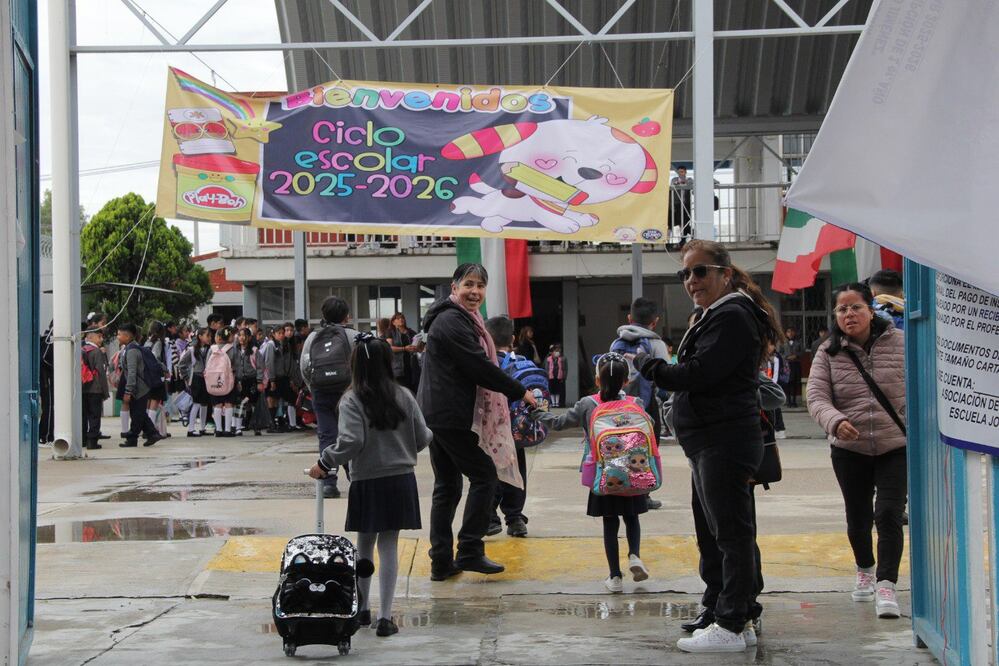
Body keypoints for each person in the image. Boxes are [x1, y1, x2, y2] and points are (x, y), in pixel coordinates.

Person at [634, 239, 783, 653]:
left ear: (725, 273)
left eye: (700, 271)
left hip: (724, 439)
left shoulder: (732, 315)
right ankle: (731, 609)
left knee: (730, 534)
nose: (691, 281)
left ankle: (732, 624)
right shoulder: (717, 313)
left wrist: (649, 365)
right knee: (718, 532)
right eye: (685, 273)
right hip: (711, 440)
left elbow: (700, 373)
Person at [418, 263, 537, 580]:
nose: (475, 292)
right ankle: (469, 549)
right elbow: (478, 365)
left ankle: (441, 563)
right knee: (485, 476)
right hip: (450, 413)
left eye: (481, 286)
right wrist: (519, 391)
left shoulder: (462, 319)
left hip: (440, 412)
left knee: (447, 487)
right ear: (454, 286)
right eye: (469, 284)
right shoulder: (451, 321)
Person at [308, 335, 432, 638]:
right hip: (401, 479)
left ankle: (361, 610)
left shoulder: (352, 399)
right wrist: (403, 449)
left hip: (368, 480)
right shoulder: (403, 394)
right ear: (387, 363)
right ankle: (386, 617)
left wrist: (325, 463)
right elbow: (424, 436)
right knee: (388, 545)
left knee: (365, 543)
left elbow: (350, 442)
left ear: (354, 365)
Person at [806, 282, 906, 620]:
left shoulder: (901, 343)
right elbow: (817, 397)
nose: (849, 314)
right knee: (859, 515)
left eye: (856, 307)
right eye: (842, 309)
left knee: (889, 514)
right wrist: (835, 421)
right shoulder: (828, 352)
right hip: (850, 448)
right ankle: (865, 568)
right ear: (835, 315)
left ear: (870, 309)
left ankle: (887, 585)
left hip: (896, 444)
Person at [537, 352, 651, 593]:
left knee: (610, 524)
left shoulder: (588, 404)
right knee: (632, 517)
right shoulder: (635, 403)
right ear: (626, 381)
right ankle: (635, 555)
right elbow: (649, 426)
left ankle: (615, 577)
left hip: (604, 474)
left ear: (597, 380)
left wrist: (538, 412)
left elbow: (559, 423)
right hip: (634, 471)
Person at [485, 316, 543, 538]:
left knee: (489, 472)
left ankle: (489, 517)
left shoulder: (484, 363)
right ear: (512, 339)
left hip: (490, 430)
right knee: (516, 472)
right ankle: (515, 518)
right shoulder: (523, 362)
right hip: (518, 428)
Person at [301, 296, 361, 498]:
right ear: (346, 316)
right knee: (351, 434)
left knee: (327, 435)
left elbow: (304, 367)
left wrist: (314, 387)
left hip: (321, 392)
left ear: (324, 315)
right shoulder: (354, 336)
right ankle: (355, 478)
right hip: (349, 392)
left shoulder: (312, 338)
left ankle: (328, 483)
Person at [116, 323, 163, 448]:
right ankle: (152, 434)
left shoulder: (132, 350)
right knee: (139, 413)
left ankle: (132, 438)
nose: (117, 337)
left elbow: (132, 372)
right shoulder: (130, 348)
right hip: (140, 387)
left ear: (127, 336)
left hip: (140, 388)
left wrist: (128, 391)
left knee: (137, 414)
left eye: (119, 334)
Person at [179, 327, 213, 437]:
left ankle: (202, 428)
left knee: (205, 403)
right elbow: (182, 364)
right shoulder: (192, 349)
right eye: (207, 335)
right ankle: (191, 429)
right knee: (196, 403)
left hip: (207, 378)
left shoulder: (211, 349)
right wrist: (187, 377)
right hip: (196, 378)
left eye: (210, 336)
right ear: (200, 336)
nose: (209, 338)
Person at [81, 326, 109, 450]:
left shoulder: (81, 349)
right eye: (99, 336)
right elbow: (101, 373)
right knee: (94, 415)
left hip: (83, 388)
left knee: (83, 415)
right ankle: (92, 441)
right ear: (90, 336)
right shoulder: (96, 351)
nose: (101, 339)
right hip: (95, 388)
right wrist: (105, 391)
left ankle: (82, 439)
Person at [208, 327, 239, 437]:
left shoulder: (212, 349)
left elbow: (207, 364)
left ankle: (218, 430)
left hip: (214, 380)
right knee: (229, 403)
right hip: (229, 380)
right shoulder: (233, 349)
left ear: (219, 337)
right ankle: (227, 429)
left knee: (217, 404)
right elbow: (237, 364)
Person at [144, 321, 171, 437]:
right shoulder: (158, 342)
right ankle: (151, 430)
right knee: (155, 401)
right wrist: (165, 369)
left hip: (146, 374)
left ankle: (145, 428)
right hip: (155, 374)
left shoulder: (146, 341)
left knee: (148, 401)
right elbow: (155, 357)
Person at [233, 327, 258, 436]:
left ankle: (256, 426)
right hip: (239, 380)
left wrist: (261, 381)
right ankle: (238, 427)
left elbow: (261, 367)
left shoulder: (254, 350)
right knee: (240, 403)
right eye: (240, 335)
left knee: (253, 404)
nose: (241, 338)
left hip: (252, 380)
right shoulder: (235, 350)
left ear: (249, 337)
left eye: (244, 335)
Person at [386, 313, 418, 391]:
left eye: (402, 318)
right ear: (393, 322)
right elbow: (389, 348)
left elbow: (418, 345)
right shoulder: (391, 332)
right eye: (398, 318)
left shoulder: (411, 332)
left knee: (413, 390)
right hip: (398, 368)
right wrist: (404, 348)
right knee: (402, 391)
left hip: (411, 367)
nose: (401, 319)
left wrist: (416, 347)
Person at [779, 327, 803, 407]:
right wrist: (786, 357)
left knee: (795, 383)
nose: (790, 333)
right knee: (788, 382)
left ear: (794, 333)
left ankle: (794, 401)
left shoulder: (799, 342)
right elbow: (780, 353)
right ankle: (788, 401)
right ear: (786, 333)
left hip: (796, 365)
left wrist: (796, 355)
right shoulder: (783, 342)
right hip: (787, 365)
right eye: (788, 332)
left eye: (792, 331)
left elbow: (802, 352)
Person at [669, 166, 694, 241]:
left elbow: (690, 184)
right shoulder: (674, 179)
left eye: (682, 172)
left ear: (685, 172)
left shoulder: (689, 180)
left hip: (686, 204)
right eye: (679, 172)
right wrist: (679, 183)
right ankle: (691, 235)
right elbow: (673, 185)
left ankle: (687, 237)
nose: (680, 174)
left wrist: (681, 183)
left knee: (685, 221)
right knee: (681, 221)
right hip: (677, 204)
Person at [544, 343, 566, 408]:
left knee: (557, 390)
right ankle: (553, 403)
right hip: (551, 377)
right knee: (552, 390)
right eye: (555, 351)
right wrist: (547, 375)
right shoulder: (548, 359)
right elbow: (546, 368)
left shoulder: (561, 359)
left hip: (558, 377)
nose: (556, 352)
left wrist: (563, 376)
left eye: (557, 351)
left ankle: (557, 403)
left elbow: (564, 368)